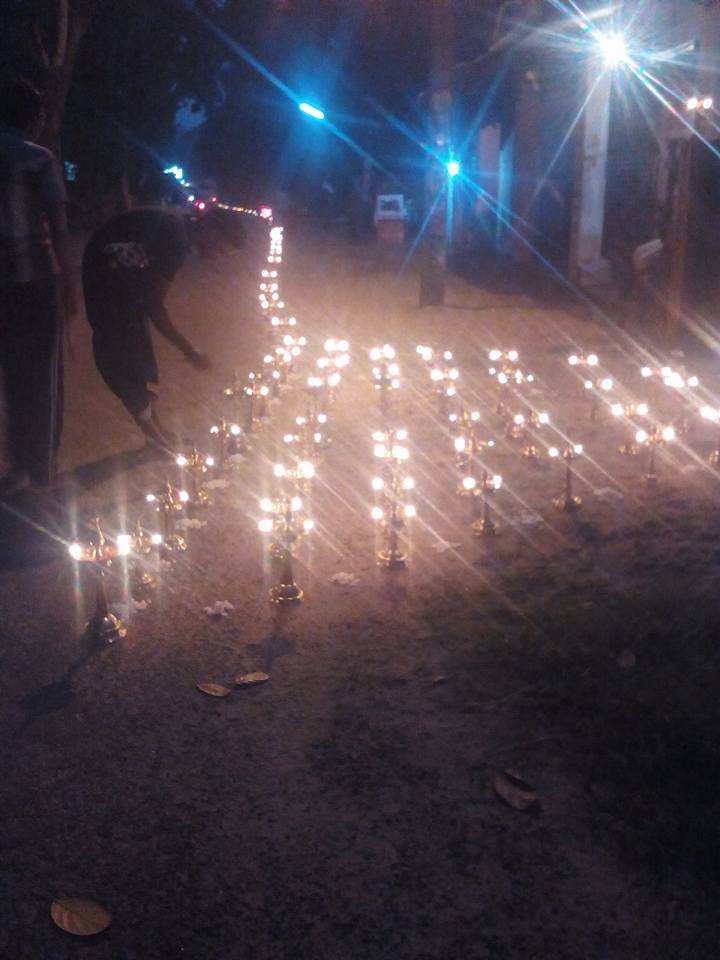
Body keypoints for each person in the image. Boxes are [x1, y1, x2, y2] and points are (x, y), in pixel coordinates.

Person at [82, 187, 225, 449]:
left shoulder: (178, 230)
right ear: (212, 232)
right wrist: (189, 350)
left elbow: (148, 299)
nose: (219, 258)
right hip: (106, 277)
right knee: (122, 361)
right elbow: (155, 306)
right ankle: (157, 438)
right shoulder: (178, 240)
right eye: (223, 250)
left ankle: (154, 432)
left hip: (118, 274)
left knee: (135, 351)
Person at [0, 77, 77, 496]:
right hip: (31, 282)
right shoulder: (39, 159)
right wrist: (70, 284)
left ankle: (15, 469)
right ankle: (39, 470)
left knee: (11, 377)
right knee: (40, 379)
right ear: (31, 118)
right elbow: (60, 228)